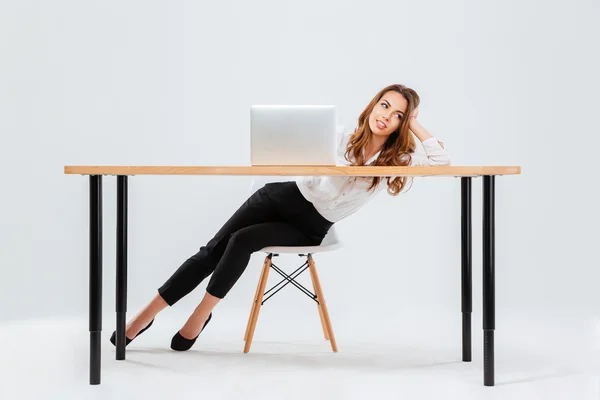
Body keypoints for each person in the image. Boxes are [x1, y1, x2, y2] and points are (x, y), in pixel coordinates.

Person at [110, 83, 451, 351]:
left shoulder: (398, 161)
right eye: (384, 105)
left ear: (403, 122)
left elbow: (442, 162)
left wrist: (415, 120)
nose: (386, 115)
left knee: (242, 241)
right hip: (281, 196)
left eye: (398, 115)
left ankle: (200, 315)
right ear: (373, 105)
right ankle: (143, 317)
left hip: (312, 225)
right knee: (212, 251)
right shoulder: (340, 136)